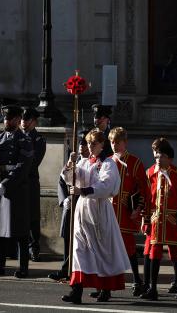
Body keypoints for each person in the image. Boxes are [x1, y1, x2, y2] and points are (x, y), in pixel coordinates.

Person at [60, 129, 130, 304]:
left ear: (101, 145)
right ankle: (77, 290)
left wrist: (83, 190)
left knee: (102, 250)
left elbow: (106, 186)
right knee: (79, 250)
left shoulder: (108, 164)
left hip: (99, 210)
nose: (90, 147)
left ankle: (105, 288)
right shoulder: (83, 162)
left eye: (94, 144)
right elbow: (70, 179)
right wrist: (70, 164)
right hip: (82, 209)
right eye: (88, 143)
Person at [0, 105, 33, 279]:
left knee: (20, 231)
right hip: (0, 189)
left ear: (18, 120)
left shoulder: (24, 140)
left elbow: (23, 166)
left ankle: (24, 267)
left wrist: (5, 184)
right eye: (5, 119)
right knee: (0, 230)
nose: (6, 122)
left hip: (16, 189)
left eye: (9, 119)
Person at [141, 138, 177, 301]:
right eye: (157, 156)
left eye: (162, 156)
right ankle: (152, 288)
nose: (158, 159)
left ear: (169, 158)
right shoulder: (150, 174)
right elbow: (147, 198)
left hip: (172, 221)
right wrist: (145, 220)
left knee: (175, 254)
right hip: (156, 220)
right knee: (154, 254)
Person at [108, 127, 147, 297]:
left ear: (125, 142)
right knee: (108, 249)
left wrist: (137, 208)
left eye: (118, 142)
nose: (114, 145)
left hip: (126, 211)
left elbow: (143, 189)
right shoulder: (108, 161)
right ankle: (106, 285)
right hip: (109, 211)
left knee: (129, 249)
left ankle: (137, 281)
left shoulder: (135, 162)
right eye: (112, 142)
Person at [48, 131, 89, 282]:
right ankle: (66, 269)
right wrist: (64, 199)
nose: (81, 148)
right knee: (68, 239)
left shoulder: (92, 162)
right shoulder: (74, 160)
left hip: (83, 205)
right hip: (70, 204)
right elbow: (61, 180)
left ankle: (71, 270)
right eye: (80, 144)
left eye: (84, 145)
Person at [20, 107, 46, 262]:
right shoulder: (16, 136)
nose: (23, 122)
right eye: (22, 119)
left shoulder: (38, 140)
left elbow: (33, 162)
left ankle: (34, 248)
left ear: (34, 121)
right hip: (16, 182)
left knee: (32, 217)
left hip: (29, 182)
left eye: (27, 119)